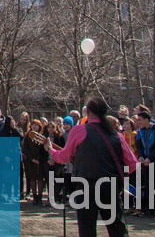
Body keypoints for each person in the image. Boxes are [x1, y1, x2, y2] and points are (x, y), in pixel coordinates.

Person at [44, 97, 138, 237]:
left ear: (88, 112)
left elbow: (64, 157)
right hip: (110, 185)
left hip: (86, 184)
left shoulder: (80, 130)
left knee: (87, 228)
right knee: (116, 227)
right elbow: (132, 164)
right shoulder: (116, 135)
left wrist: (50, 150)